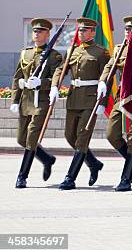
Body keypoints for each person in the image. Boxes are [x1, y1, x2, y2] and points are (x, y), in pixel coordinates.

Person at [51, 17, 110, 190]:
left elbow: (107, 78)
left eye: (85, 30)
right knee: (70, 137)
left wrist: (103, 102)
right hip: (74, 98)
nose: (81, 33)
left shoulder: (101, 52)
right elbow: (60, 70)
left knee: (82, 138)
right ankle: (93, 163)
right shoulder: (72, 51)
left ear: (93, 32)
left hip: (91, 100)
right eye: (80, 30)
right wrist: (55, 86)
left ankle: (70, 178)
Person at [10, 18, 63, 188]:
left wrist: (42, 83)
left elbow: (57, 77)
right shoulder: (25, 52)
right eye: (34, 31)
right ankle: (47, 159)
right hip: (26, 100)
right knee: (21, 139)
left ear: (48, 34)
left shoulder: (54, 55)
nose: (36, 34)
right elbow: (18, 77)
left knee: (32, 137)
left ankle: (22, 176)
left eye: (40, 31)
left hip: (41, 101)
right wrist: (15, 100)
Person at [101, 16, 132, 192]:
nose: (128, 31)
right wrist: (103, 82)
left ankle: (126, 178)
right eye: (126, 28)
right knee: (112, 134)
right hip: (122, 97)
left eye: (131, 28)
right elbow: (108, 67)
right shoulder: (120, 49)